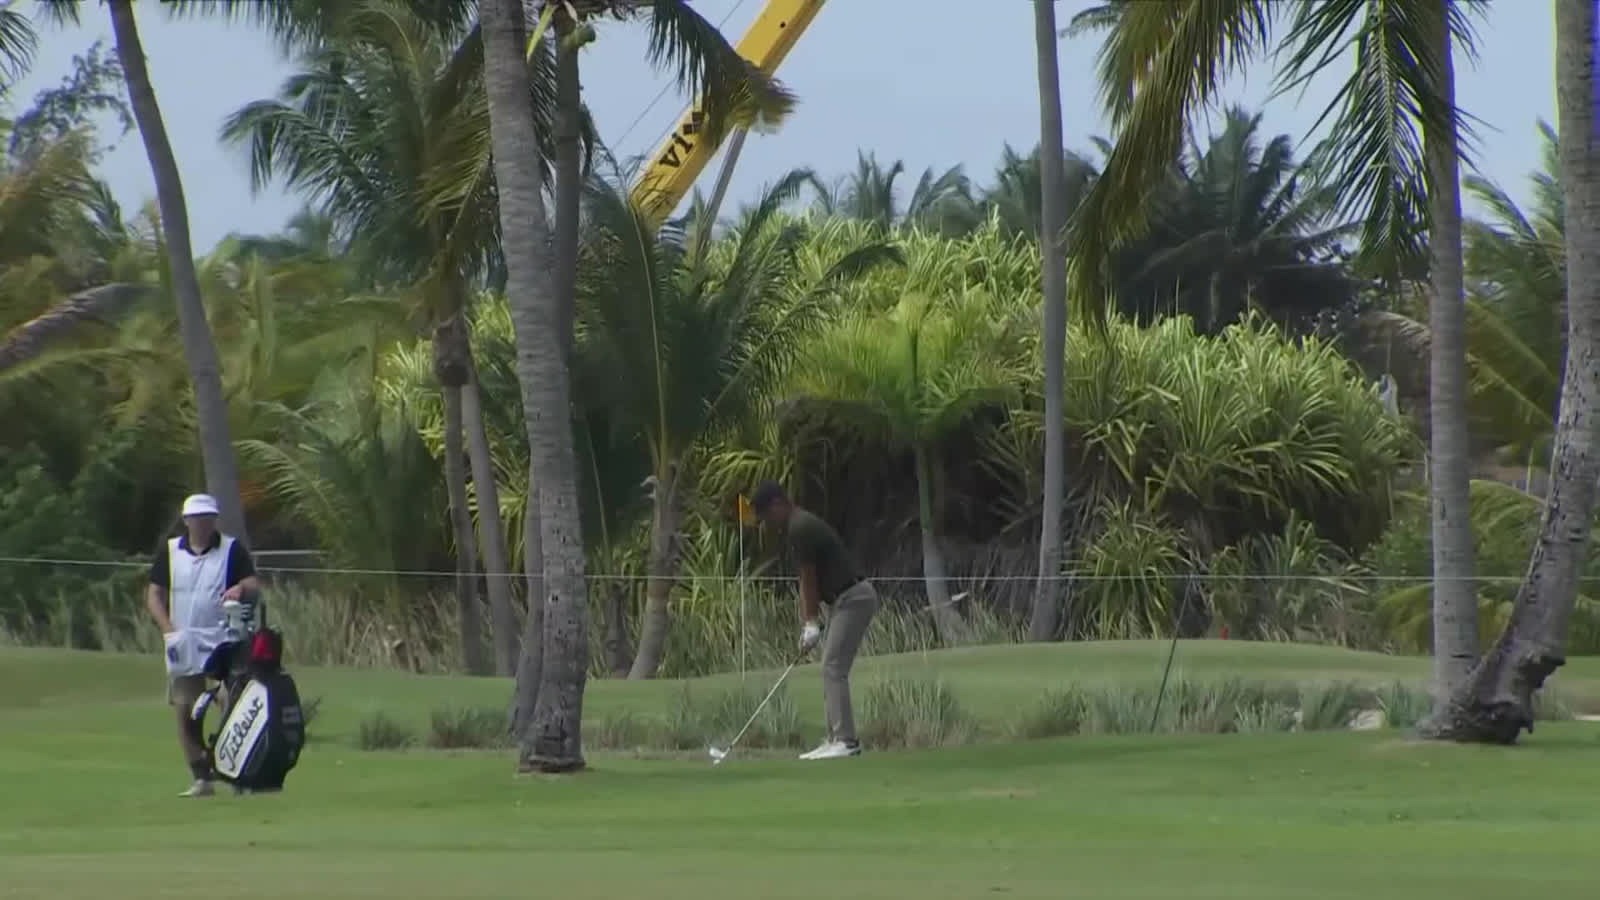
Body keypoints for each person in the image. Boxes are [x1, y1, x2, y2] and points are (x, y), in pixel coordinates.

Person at [750, 480, 879, 761]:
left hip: (853, 598)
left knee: (833, 666)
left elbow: (807, 579)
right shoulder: (796, 525)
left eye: (766, 517)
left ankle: (846, 741)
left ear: (778, 505)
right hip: (842, 600)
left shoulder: (800, 527)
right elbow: (809, 580)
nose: (767, 525)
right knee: (829, 666)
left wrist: (810, 622)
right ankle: (835, 738)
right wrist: (811, 621)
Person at [146, 493, 260, 797]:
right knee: (185, 709)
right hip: (183, 638)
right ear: (186, 521)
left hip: (223, 636)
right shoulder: (171, 551)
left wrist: (239, 588)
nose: (202, 523)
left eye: (208, 517)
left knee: (229, 701)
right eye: (196, 518)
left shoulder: (232, 550)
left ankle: (235, 769)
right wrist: (168, 630)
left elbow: (253, 584)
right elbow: (154, 594)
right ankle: (201, 777)